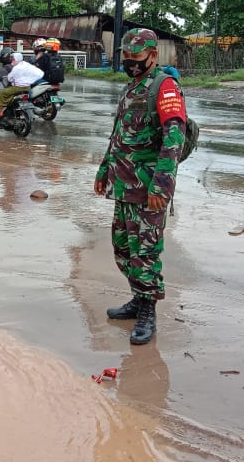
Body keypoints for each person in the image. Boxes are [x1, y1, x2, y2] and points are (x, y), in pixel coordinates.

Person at [95, 28, 188, 345]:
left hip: (150, 190)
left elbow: (174, 140)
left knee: (145, 252)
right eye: (126, 58)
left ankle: (148, 312)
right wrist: (104, 168)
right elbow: (119, 134)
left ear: (152, 56)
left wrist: (162, 186)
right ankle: (137, 298)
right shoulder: (133, 87)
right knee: (123, 248)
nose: (130, 63)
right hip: (123, 185)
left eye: (136, 58)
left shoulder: (165, 87)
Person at [0, 52, 43, 118]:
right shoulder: (26, 65)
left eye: (13, 59)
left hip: (18, 88)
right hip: (27, 87)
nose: (12, 60)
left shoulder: (16, 68)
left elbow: (10, 78)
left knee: (2, 93)